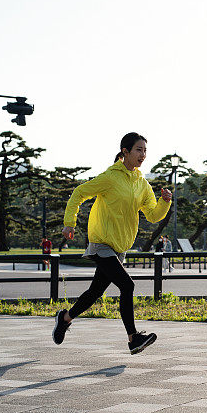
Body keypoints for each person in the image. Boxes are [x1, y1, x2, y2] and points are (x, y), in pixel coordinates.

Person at [53, 132, 172, 354]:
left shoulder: (142, 184)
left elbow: (153, 215)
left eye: (145, 150)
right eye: (138, 150)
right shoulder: (110, 178)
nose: (143, 155)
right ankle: (133, 338)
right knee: (127, 285)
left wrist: (165, 202)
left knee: (95, 292)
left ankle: (65, 318)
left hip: (119, 248)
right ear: (125, 152)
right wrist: (69, 223)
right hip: (101, 244)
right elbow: (79, 193)